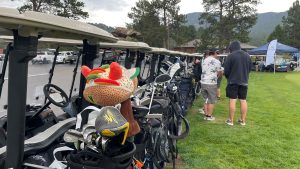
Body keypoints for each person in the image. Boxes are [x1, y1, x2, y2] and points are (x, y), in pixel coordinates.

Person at [224, 41, 252, 126]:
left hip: (233, 81)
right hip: (244, 81)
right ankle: (242, 121)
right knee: (243, 100)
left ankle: (231, 121)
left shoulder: (230, 56)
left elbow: (226, 71)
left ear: (231, 48)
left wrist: (228, 77)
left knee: (233, 100)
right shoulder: (247, 55)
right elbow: (250, 69)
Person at [200, 49, 222, 121]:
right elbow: (220, 72)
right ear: (215, 53)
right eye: (217, 53)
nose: (217, 55)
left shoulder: (204, 60)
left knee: (205, 99)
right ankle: (209, 116)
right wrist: (217, 76)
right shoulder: (217, 61)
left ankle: (206, 115)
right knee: (211, 100)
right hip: (211, 83)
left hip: (203, 82)